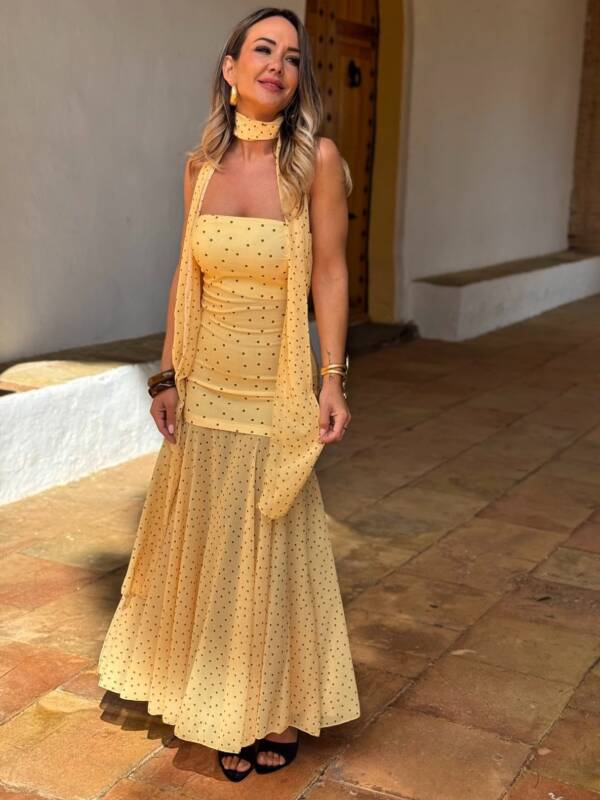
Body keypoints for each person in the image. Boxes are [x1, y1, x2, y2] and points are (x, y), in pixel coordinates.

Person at [97, 5, 360, 782]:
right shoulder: (200, 168)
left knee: (268, 548)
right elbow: (188, 276)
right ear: (230, 67)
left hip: (274, 390)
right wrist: (167, 375)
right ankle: (213, 698)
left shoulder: (315, 162)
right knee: (211, 548)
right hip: (206, 388)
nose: (278, 64)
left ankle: (271, 707)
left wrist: (332, 377)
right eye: (263, 50)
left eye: (292, 56)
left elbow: (330, 272)